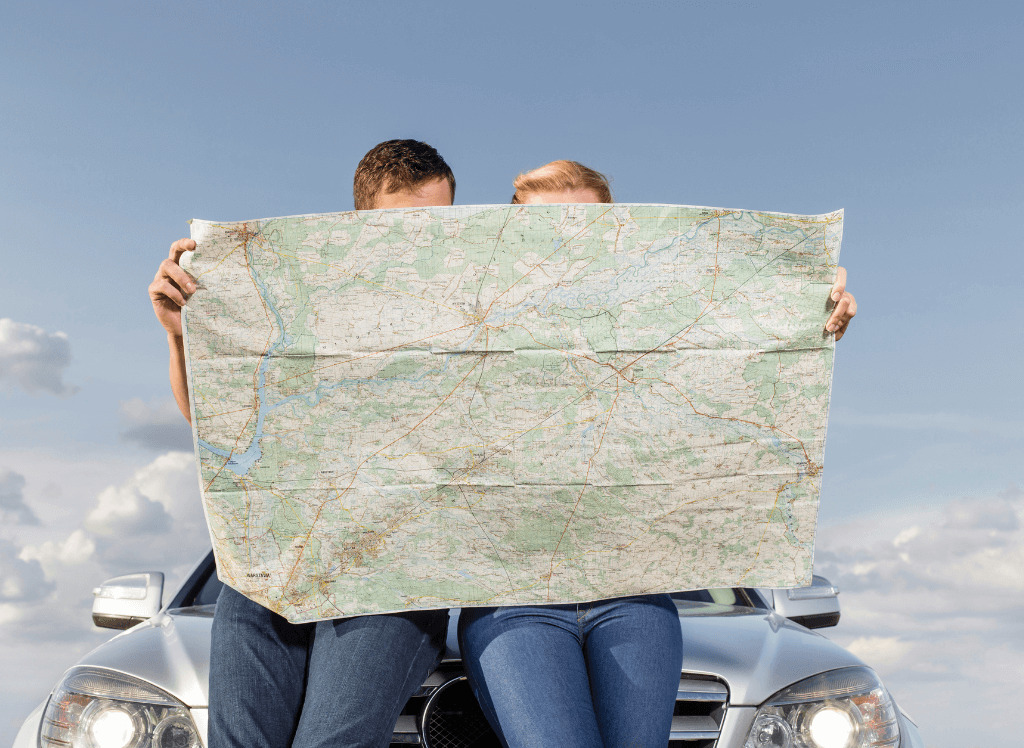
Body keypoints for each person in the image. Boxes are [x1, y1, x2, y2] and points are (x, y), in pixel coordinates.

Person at [457, 160, 857, 748]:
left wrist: (805, 311)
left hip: (635, 596)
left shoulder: (657, 337)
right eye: (546, 233)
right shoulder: (465, 331)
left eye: (586, 231)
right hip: (514, 601)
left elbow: (733, 365)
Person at [148, 139, 456, 748]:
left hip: (390, 579)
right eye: (403, 230)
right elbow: (225, 432)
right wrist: (184, 339)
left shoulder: (473, 318)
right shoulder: (296, 302)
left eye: (441, 225)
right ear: (357, 224)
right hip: (269, 570)